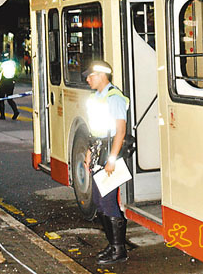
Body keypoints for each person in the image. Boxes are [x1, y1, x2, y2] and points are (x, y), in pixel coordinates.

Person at [84, 60, 129, 265]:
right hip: (98, 151)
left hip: (110, 153)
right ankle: (112, 245)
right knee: (99, 200)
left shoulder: (114, 97)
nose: (88, 79)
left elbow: (121, 131)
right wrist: (89, 152)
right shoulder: (97, 97)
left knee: (108, 200)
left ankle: (119, 250)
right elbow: (95, 130)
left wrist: (112, 159)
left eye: (91, 75)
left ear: (102, 76)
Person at [0, 53, 19, 120]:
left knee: (1, 99)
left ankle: (2, 115)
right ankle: (16, 111)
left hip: (4, 83)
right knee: (10, 99)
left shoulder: (1, 64)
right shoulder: (13, 63)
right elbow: (17, 72)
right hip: (11, 82)